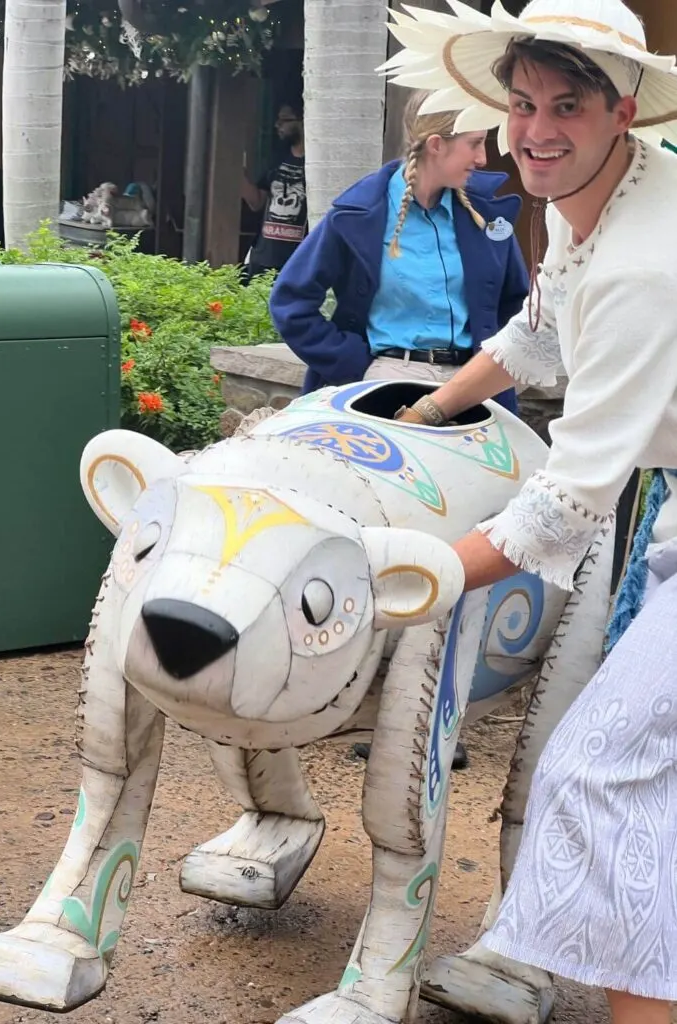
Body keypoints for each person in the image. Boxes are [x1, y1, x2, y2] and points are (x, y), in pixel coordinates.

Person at [385, 0, 677, 1021]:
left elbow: (562, 508)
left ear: (621, 110)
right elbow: (535, 333)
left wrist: (397, 578)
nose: (536, 130)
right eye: (520, 104)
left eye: (567, 106)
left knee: (596, 769)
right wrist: (421, 408)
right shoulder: (581, 198)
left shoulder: (648, 261)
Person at [269, 89, 529, 415]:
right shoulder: (358, 214)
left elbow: (517, 304)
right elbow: (290, 301)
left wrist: (492, 370)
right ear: (436, 145)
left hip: (473, 387)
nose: (482, 159)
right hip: (384, 382)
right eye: (475, 143)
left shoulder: (487, 214)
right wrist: (357, 365)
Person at [241, 99, 307, 281]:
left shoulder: (316, 164)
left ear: (302, 121)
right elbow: (256, 202)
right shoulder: (275, 161)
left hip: (298, 259)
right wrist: (238, 174)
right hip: (265, 257)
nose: (277, 125)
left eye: (284, 120)